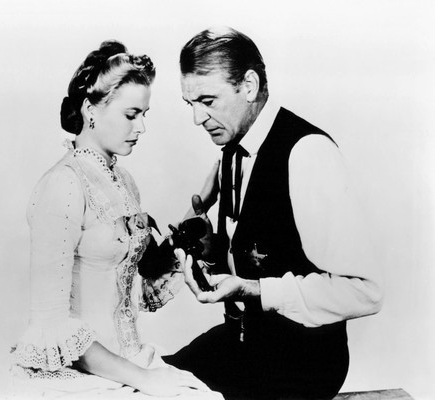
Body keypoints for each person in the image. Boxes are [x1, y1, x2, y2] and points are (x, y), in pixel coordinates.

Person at [164, 27, 384, 400]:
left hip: (303, 366)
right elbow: (261, 244)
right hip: (244, 346)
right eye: (191, 104)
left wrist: (252, 289)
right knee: (144, 383)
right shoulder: (232, 149)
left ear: (249, 85)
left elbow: (365, 292)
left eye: (208, 101)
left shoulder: (309, 153)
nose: (198, 118)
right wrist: (213, 250)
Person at [9, 40, 223, 399]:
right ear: (90, 110)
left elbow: (143, 275)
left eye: (144, 114)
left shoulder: (122, 181)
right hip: (76, 374)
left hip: (130, 362)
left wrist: (200, 210)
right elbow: (52, 324)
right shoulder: (63, 184)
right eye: (131, 115)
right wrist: (147, 381)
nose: (141, 128)